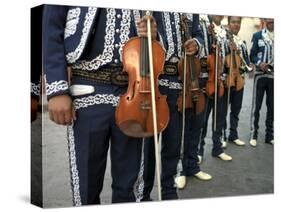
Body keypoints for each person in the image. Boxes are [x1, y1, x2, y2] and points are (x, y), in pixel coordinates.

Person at [43, 5, 161, 205]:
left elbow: (161, 43)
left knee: (128, 185)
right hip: (87, 90)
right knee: (86, 186)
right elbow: (51, 30)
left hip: (133, 93)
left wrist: (153, 35)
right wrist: (57, 89)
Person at [142, 12, 211, 200]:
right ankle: (143, 193)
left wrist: (195, 44)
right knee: (148, 146)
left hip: (182, 83)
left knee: (173, 143)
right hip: (156, 78)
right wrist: (154, 35)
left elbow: (198, 33)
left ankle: (168, 191)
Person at [198, 15, 233, 162]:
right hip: (209, 80)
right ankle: (198, 151)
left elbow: (229, 58)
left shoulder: (226, 33)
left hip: (222, 81)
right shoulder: (204, 26)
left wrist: (231, 49)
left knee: (219, 118)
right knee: (203, 120)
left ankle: (217, 148)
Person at [221, 16, 255, 147]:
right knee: (223, 110)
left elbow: (246, 61)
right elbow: (223, 60)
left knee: (236, 109)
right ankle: (222, 136)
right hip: (228, 80)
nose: (236, 25)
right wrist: (230, 50)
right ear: (229, 24)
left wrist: (249, 66)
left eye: (238, 22)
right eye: (233, 22)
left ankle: (233, 135)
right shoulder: (224, 40)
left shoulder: (243, 42)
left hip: (239, 80)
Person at [249, 18, 274, 147]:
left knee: (272, 108)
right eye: (269, 19)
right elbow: (252, 55)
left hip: (274, 77)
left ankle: (269, 136)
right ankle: (253, 135)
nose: (272, 21)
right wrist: (259, 63)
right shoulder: (257, 35)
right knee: (256, 106)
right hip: (260, 75)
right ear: (265, 20)